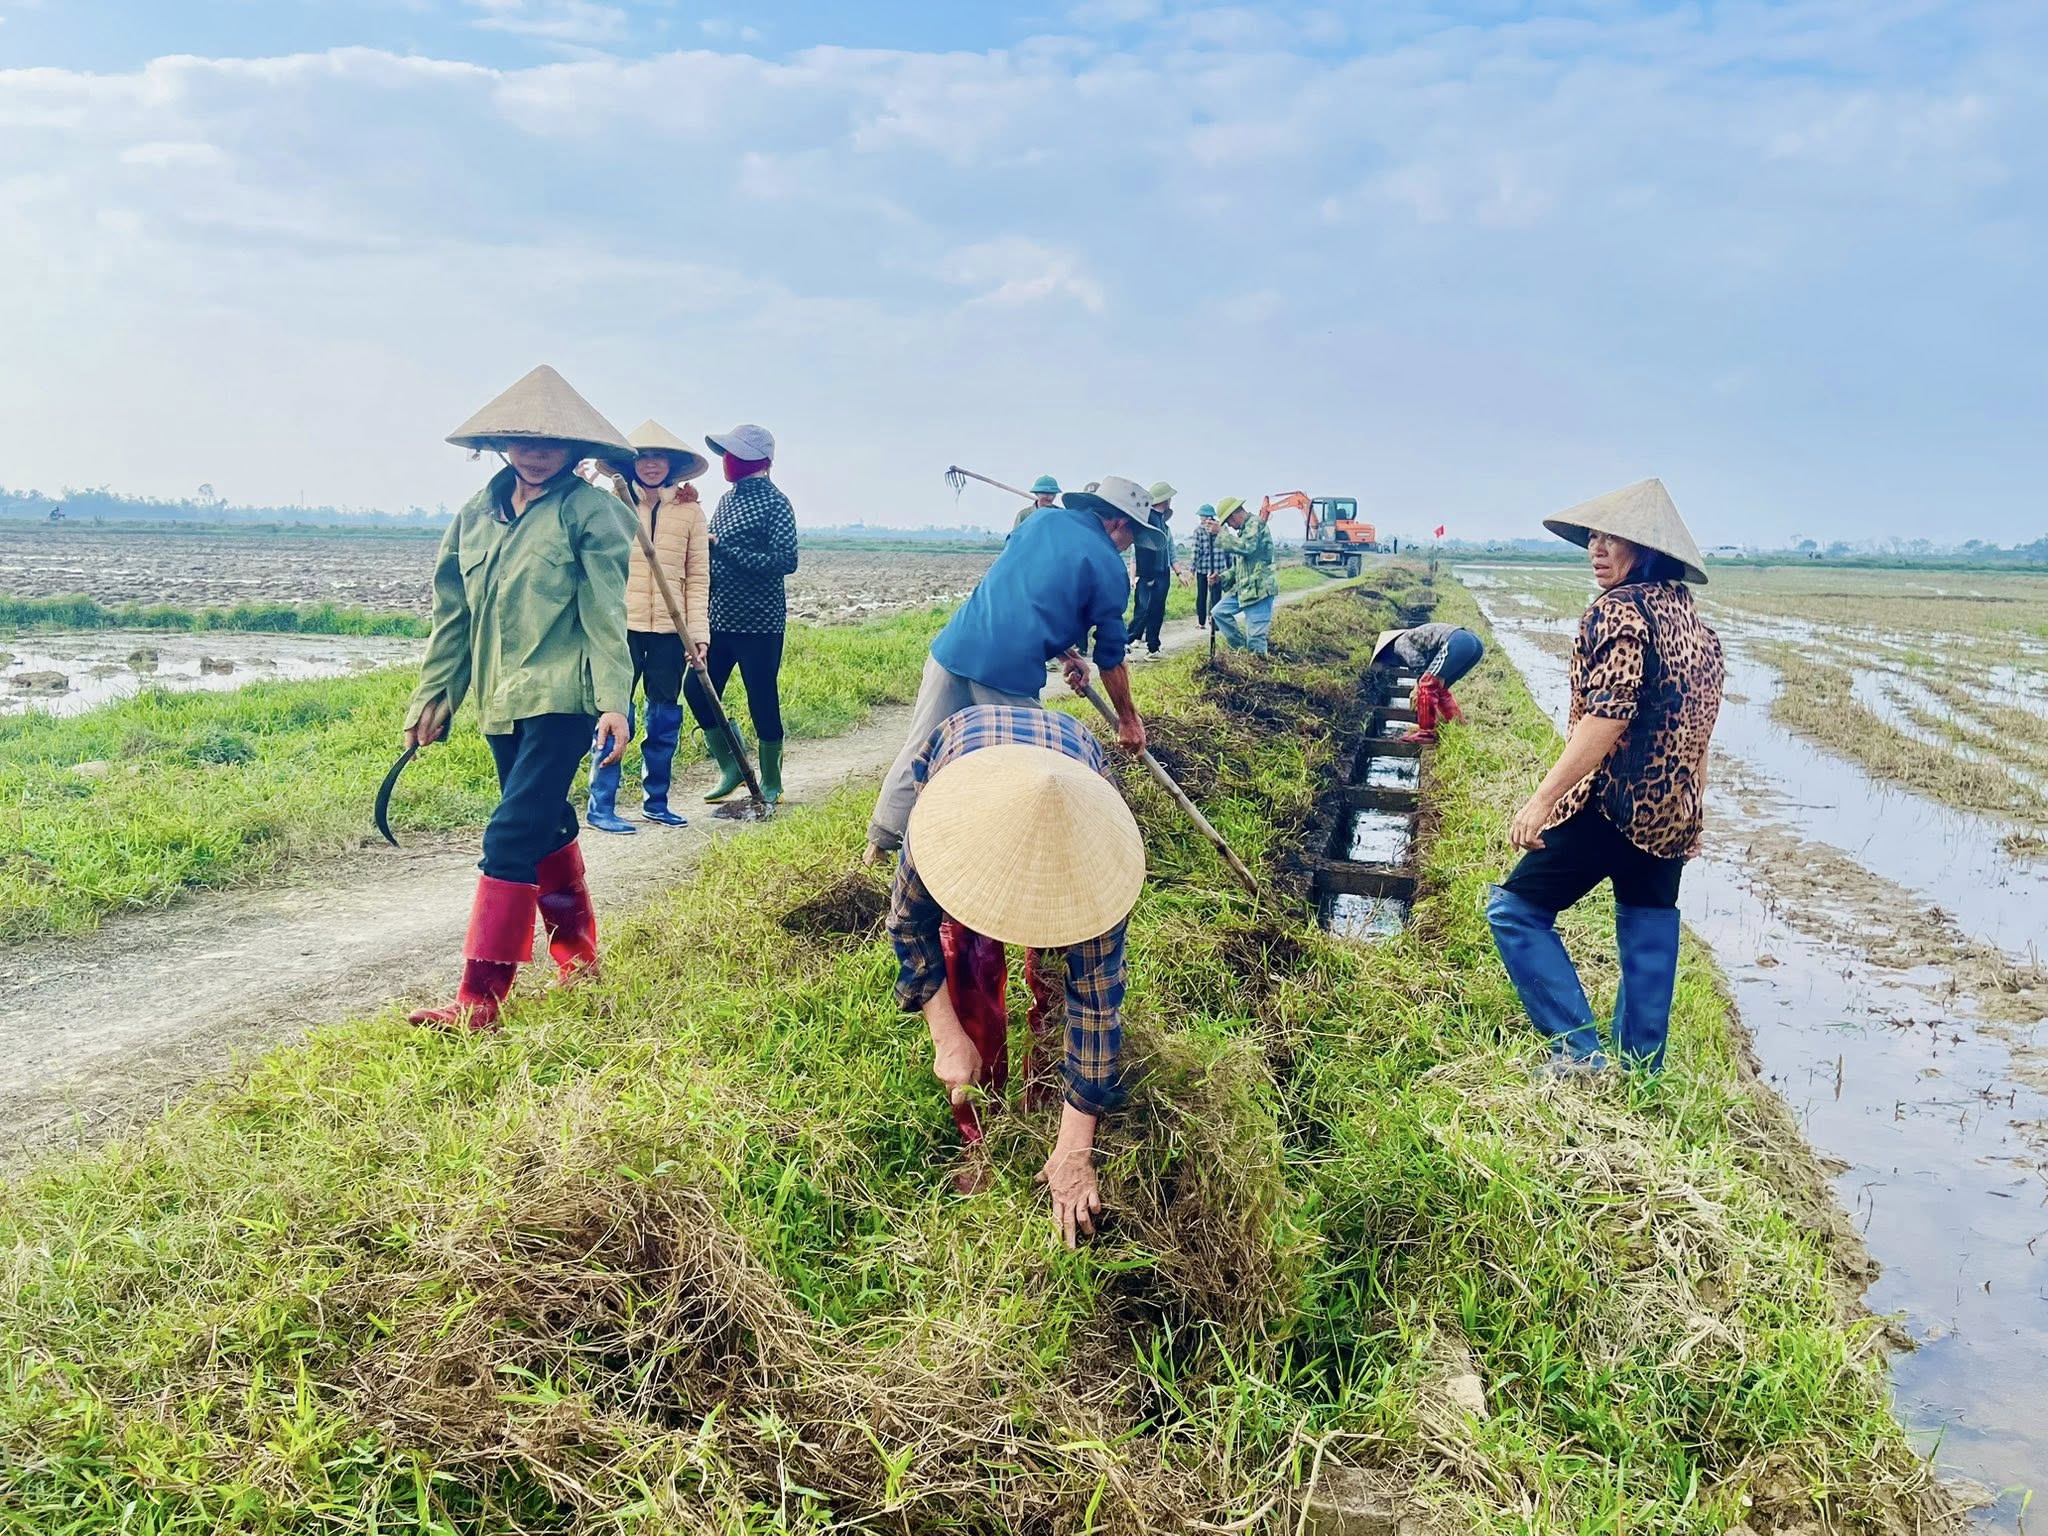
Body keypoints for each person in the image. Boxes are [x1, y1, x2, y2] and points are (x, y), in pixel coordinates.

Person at [401, 365, 636, 1029]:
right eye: (524, 438)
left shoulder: (592, 512)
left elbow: (604, 612)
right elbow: (455, 616)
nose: (536, 450)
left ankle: (480, 1001)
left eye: (551, 440)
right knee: (545, 826)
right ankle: (579, 956)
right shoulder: (475, 516)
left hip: (564, 697)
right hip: (499, 701)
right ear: (503, 443)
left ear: (575, 449)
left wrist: (615, 700)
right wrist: (435, 696)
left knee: (508, 834)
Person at [1487, 478, 1723, 1074]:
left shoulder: (1618, 611)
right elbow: (1697, 726)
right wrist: (1695, 806)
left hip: (1613, 803)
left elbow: (1607, 717)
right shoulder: (1697, 626)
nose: (1596, 549)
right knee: (1648, 930)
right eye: (1591, 537)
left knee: (1516, 910)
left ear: (1643, 548)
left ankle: (1578, 1051)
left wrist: (1542, 800)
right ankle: (1641, 1071)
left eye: (1609, 538)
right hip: (1669, 811)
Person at [886, 704, 1146, 1247]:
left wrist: (1077, 1149)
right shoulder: (938, 831)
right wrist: (946, 1036)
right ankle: (977, 1137)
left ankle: (1050, 1105)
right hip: (969, 757)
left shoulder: (1098, 868)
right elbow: (910, 929)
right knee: (972, 966)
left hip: (1068, 768)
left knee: (1057, 981)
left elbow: (1096, 1007)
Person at [865, 474, 1163, 862]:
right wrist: (1128, 719)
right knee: (1043, 764)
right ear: (1119, 523)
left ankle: (879, 845)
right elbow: (1111, 658)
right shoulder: (1109, 566)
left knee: (922, 746)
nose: (1130, 547)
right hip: (1004, 670)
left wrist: (1065, 654)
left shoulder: (1040, 521)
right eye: (1133, 537)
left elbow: (1025, 592)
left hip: (953, 647)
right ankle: (1067, 850)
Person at [584, 420, 711, 833]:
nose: (651, 465)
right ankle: (601, 804)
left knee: (664, 717)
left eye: (660, 458)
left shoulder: (690, 511)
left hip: (669, 632)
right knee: (615, 712)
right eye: (643, 457)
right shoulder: (612, 504)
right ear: (630, 463)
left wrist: (698, 634)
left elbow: (697, 577)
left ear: (672, 465)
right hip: (621, 627)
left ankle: (656, 800)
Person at [687, 423, 799, 804]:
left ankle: (771, 780)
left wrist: (724, 550)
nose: (727, 461)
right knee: (697, 690)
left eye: (734, 455)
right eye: (727, 454)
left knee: (761, 698)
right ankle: (732, 764)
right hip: (719, 620)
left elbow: (786, 560)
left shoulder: (775, 503)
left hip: (760, 623)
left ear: (758, 460)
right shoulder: (727, 500)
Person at [1372, 622, 1486, 743]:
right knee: (1439, 688)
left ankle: (1426, 733)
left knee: (1426, 684)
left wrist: (1418, 690)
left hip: (1458, 641)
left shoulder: (1400, 643)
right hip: (1474, 644)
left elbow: (1419, 665)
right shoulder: (1414, 639)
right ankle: (1458, 724)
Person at [1207, 496, 1278, 655]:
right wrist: (1221, 577)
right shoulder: (1244, 531)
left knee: (1256, 637)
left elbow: (1247, 548)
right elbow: (1240, 566)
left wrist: (1221, 532)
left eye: (1229, 523)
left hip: (1260, 589)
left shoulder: (1256, 524)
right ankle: (1243, 652)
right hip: (1244, 588)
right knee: (1219, 612)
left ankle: (1258, 667)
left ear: (1234, 515)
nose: (1230, 527)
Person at [1127, 481, 1176, 655]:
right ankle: (1126, 640)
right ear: (1166, 500)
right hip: (1152, 573)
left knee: (1156, 610)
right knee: (1145, 610)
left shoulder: (1161, 520)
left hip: (1162, 572)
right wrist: (1146, 575)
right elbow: (1144, 548)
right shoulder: (1149, 519)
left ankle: (1153, 646)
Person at [1189, 501, 1226, 630]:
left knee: (1202, 595)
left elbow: (1195, 551)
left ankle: (1201, 622)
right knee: (1216, 596)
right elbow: (1228, 549)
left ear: (1204, 517)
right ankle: (1215, 622)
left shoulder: (1198, 530)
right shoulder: (1221, 528)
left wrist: (1192, 569)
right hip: (1219, 569)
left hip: (1203, 569)